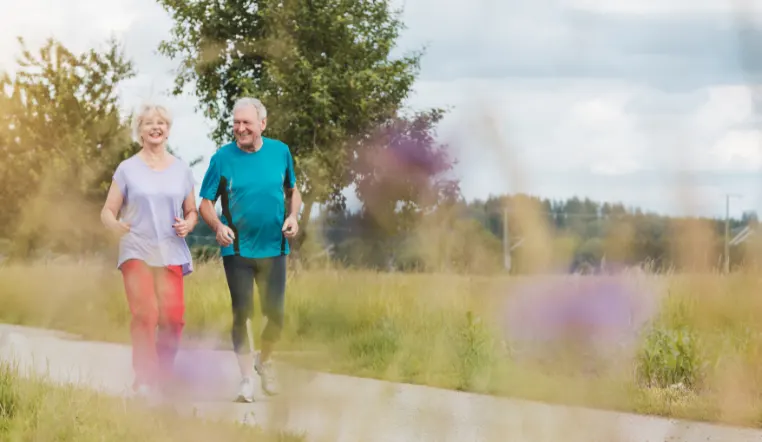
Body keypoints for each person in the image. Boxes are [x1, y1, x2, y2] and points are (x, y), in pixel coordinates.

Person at [198, 97, 301, 403]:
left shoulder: (281, 152)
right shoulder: (222, 158)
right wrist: (218, 226)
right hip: (238, 249)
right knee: (242, 313)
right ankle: (245, 380)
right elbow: (205, 202)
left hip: (274, 247)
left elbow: (293, 191)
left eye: (247, 123)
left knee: (276, 316)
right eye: (236, 123)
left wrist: (293, 216)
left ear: (262, 125)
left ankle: (263, 359)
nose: (240, 128)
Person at [100, 103, 198, 400]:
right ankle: (144, 378)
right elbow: (107, 210)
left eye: (162, 123)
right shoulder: (127, 169)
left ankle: (164, 375)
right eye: (149, 123)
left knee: (174, 317)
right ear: (140, 131)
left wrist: (188, 225)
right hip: (137, 248)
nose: (156, 127)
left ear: (168, 130)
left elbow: (191, 211)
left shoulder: (182, 169)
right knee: (146, 313)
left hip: (170, 250)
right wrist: (113, 225)